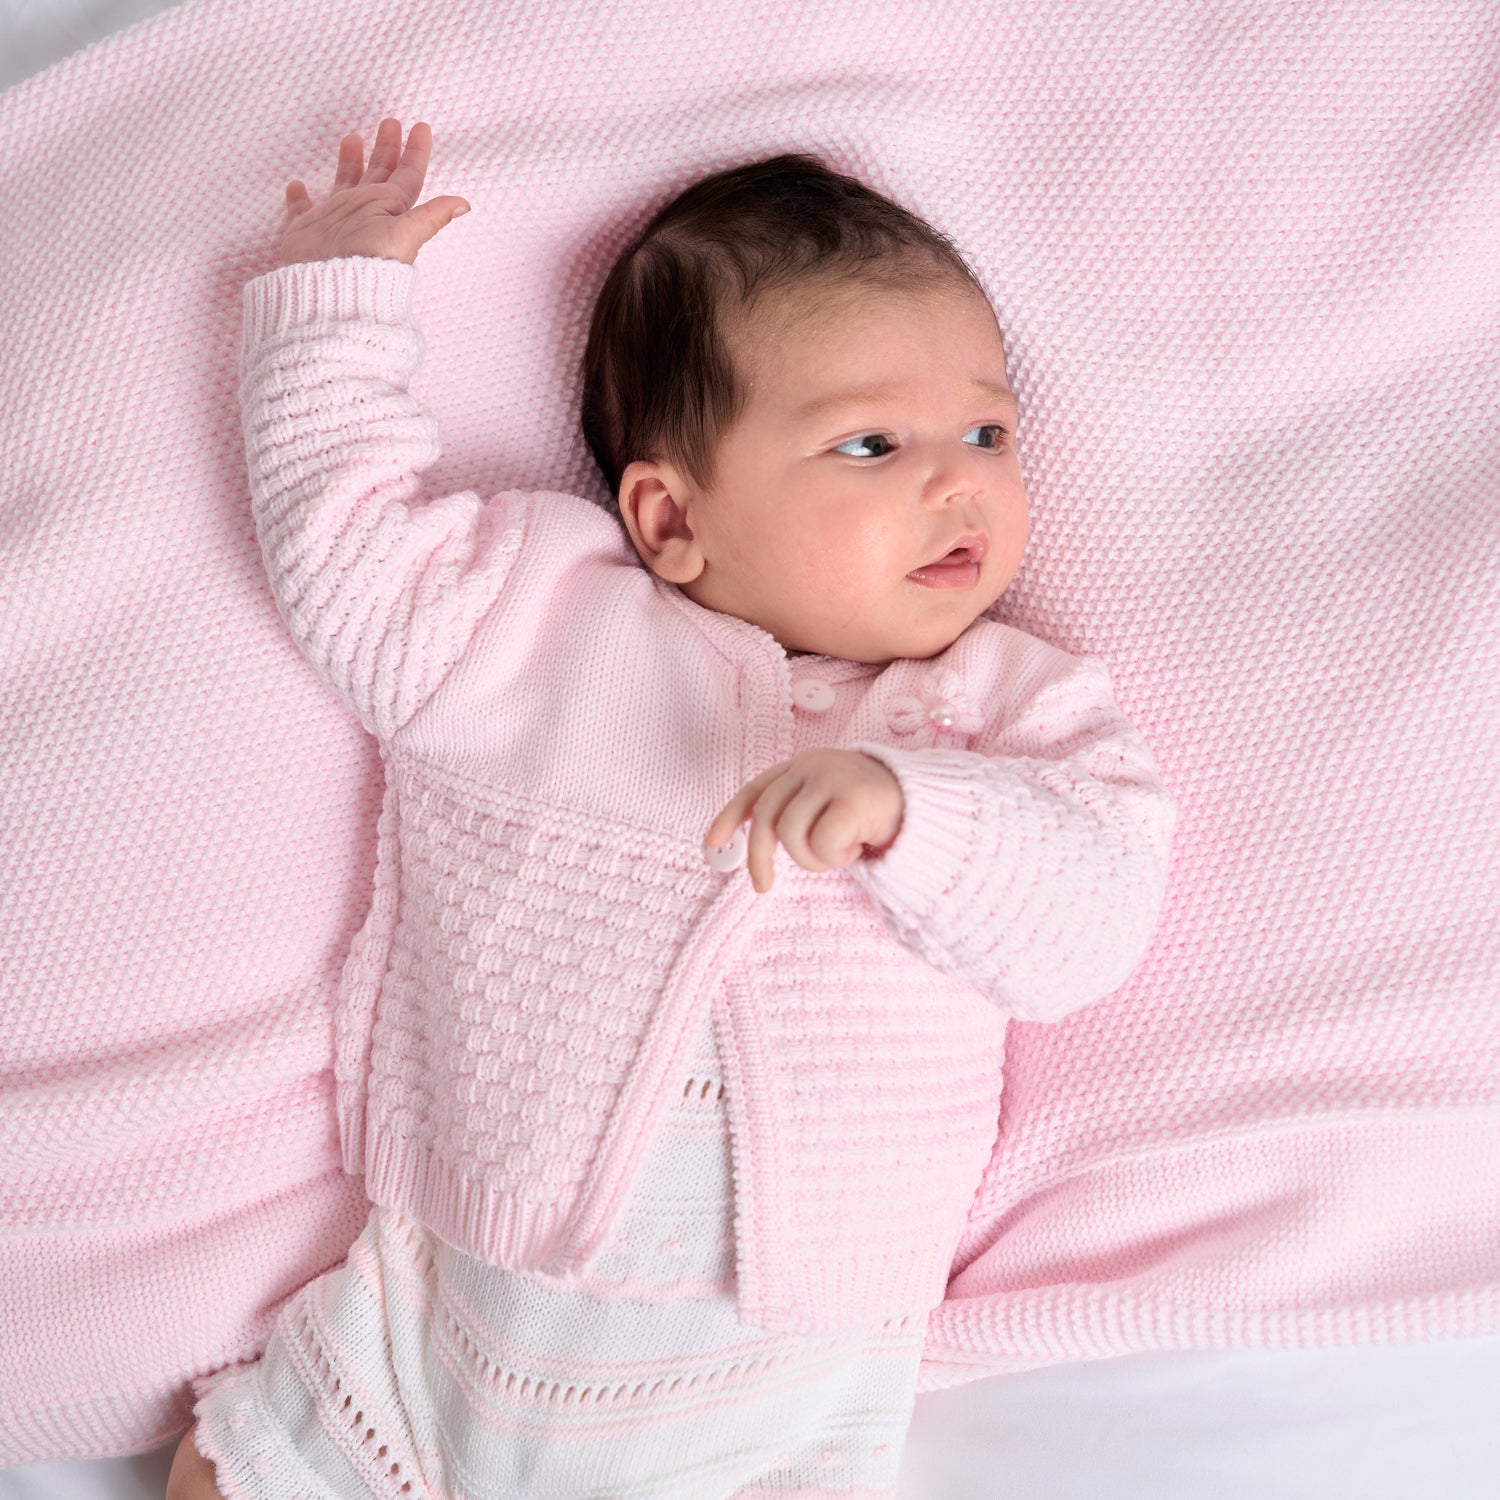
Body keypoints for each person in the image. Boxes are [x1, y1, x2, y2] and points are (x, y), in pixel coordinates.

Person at [168, 117, 1174, 1500]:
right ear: (670, 518)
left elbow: (1093, 917)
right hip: (439, 1319)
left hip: (774, 1385)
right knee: (230, 1472)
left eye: (987, 427)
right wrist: (331, 311)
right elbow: (345, 556)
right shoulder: (536, 619)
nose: (960, 478)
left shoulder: (1005, 710)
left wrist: (914, 814)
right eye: (872, 443)